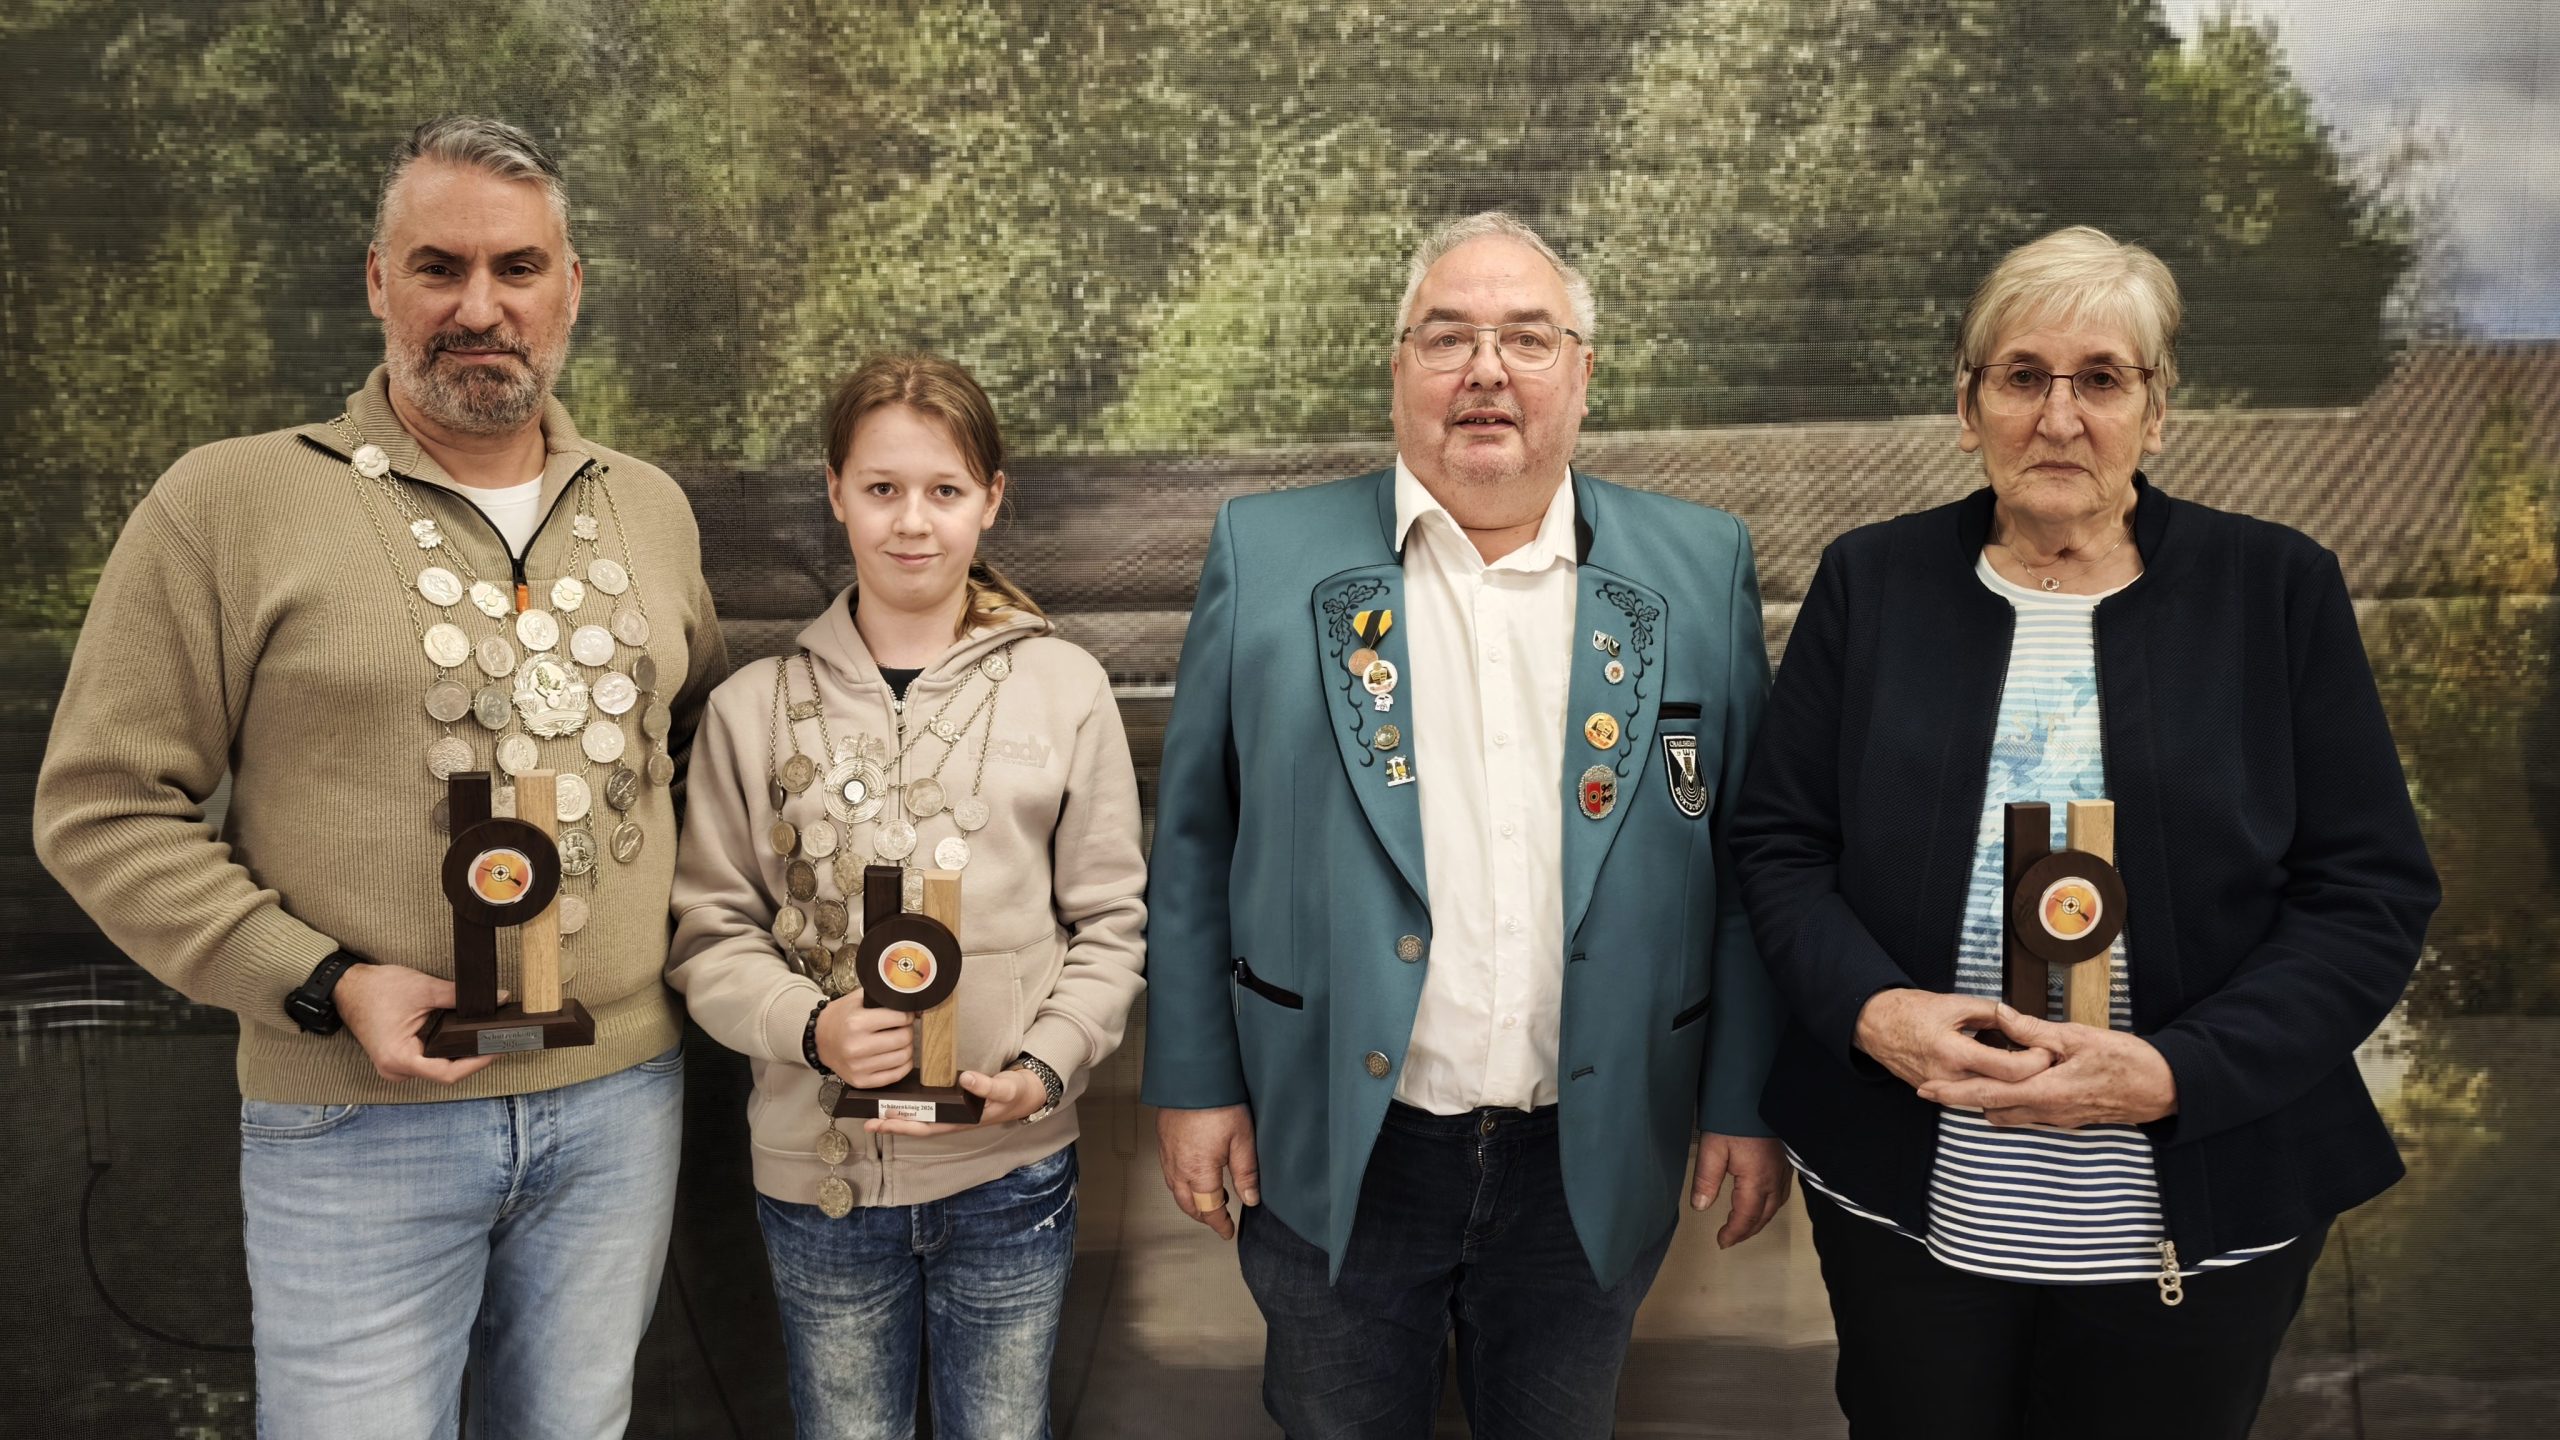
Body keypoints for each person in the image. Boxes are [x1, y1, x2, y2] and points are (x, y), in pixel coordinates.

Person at [32, 115, 727, 1436]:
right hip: (357, 1119)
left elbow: (681, 752)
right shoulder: (227, 504)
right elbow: (101, 807)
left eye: (518, 268)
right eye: (437, 268)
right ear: (375, 281)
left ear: (572, 288)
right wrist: (322, 981)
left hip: (620, 1106)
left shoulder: (648, 508)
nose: (480, 308)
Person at [1729, 226, 2441, 1440]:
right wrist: (1872, 1012)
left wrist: (2177, 1072)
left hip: (2196, 1205)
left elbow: (2365, 893)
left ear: (2155, 413)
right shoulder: (1873, 583)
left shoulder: (2274, 589)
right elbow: (1780, 845)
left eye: (2101, 379)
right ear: (1968, 407)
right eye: (2022, 376)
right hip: (1912, 1202)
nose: (2059, 417)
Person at [1141, 211, 1790, 1438]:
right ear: (1399, 369)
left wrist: (1745, 1098)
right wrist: (1191, 1083)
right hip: (1330, 1140)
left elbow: (1745, 863)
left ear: (1582, 374)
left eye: (1527, 338)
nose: (1486, 369)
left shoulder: (1697, 567)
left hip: (1594, 1147)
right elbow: (1192, 846)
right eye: (1447, 337)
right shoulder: (1265, 554)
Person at [669, 354, 1146, 1439]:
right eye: (882, 488)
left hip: (1010, 1174)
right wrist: (811, 1027)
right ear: (835, 493)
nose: (913, 522)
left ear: (992, 499)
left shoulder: (1065, 688)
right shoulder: (752, 708)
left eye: (944, 489)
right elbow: (710, 933)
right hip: (820, 1178)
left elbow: (1111, 924)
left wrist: (1045, 1066)